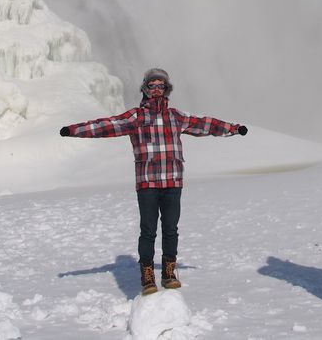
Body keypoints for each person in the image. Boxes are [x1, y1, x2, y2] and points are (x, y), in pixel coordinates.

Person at [60, 67, 248, 295]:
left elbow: (205, 124)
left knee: (171, 229)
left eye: (161, 85)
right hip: (147, 182)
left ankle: (169, 271)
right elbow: (105, 126)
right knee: (148, 230)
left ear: (167, 89)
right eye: (152, 85)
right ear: (145, 89)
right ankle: (147, 274)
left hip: (173, 181)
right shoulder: (135, 117)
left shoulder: (176, 117)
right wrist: (73, 130)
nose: (157, 89)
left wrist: (234, 129)